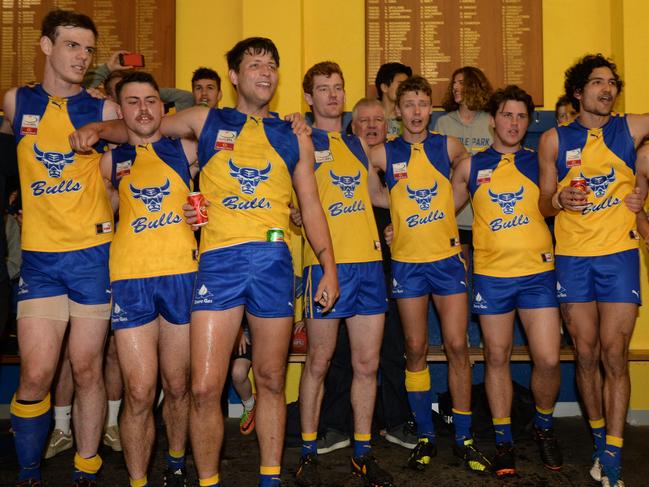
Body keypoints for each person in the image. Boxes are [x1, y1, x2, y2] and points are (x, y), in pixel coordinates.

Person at [70, 36, 338, 487]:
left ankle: (270, 478)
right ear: (234, 76)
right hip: (217, 266)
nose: (265, 72)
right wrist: (98, 130)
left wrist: (328, 266)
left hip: (272, 264)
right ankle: (208, 481)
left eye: (271, 64)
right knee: (202, 388)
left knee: (271, 380)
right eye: (254, 64)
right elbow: (146, 127)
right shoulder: (205, 119)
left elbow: (310, 205)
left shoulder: (293, 134)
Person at [2, 9, 119, 486]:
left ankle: (86, 469)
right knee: (35, 374)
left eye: (88, 49)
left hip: (92, 257)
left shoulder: (101, 107)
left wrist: (103, 130)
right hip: (41, 260)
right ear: (46, 46)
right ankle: (29, 472)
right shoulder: (16, 101)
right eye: (72, 45)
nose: (82, 56)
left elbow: (142, 127)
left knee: (88, 368)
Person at [538, 53, 649, 487]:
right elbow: (543, 201)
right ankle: (600, 441)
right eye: (597, 83)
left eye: (611, 83)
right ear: (579, 93)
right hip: (573, 257)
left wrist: (643, 187)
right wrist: (559, 202)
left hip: (619, 255)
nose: (606, 89)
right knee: (585, 354)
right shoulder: (554, 140)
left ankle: (614, 457)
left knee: (613, 354)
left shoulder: (631, 127)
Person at [370, 75, 490, 474]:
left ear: (430, 110)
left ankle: (464, 437)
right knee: (416, 348)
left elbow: (476, 171)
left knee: (457, 346)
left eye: (423, 104)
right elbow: (365, 184)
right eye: (410, 104)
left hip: (446, 261)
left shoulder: (447, 145)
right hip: (407, 263)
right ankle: (424, 435)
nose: (417, 111)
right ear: (398, 111)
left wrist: (454, 203)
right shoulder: (385, 153)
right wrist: (393, 213)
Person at [451, 85, 563, 476]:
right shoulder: (470, 166)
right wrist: (400, 227)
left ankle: (544, 429)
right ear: (493, 119)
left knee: (548, 358)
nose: (513, 123)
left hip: (537, 274)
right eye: (506, 115)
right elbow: (439, 211)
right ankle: (503, 442)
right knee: (496, 358)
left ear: (528, 121)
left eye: (520, 116)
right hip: (492, 276)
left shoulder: (540, 161)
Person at [92, 71, 196, 487]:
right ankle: (137, 480)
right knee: (138, 391)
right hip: (131, 280)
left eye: (151, 100)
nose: (143, 109)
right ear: (121, 110)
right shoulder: (109, 160)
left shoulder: (186, 149)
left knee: (177, 385)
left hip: (181, 276)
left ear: (162, 106)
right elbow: (98, 219)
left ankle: (174, 466)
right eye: (133, 101)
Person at [294, 62, 391, 487]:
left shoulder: (357, 145)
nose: (333, 95)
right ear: (309, 98)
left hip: (369, 266)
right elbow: (290, 200)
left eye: (338, 87)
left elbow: (378, 195)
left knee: (367, 364)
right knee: (318, 362)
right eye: (323, 88)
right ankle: (308, 453)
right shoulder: (299, 139)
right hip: (326, 266)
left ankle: (363, 453)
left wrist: (428, 209)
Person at [351, 98, 416, 449]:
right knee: (344, 351)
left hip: (393, 266)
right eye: (365, 121)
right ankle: (339, 424)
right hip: (349, 265)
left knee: (393, 347)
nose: (373, 126)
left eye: (379, 120)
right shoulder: (343, 160)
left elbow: (420, 206)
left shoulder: (396, 162)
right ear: (353, 126)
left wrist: (399, 229)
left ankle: (396, 421)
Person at [434, 66, 493, 262]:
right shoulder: (443, 123)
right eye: (454, 83)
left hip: (485, 212)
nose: (455, 87)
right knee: (459, 270)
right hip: (455, 213)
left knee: (486, 269)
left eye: (461, 83)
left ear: (475, 86)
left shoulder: (490, 121)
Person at [83, 49, 195, 112]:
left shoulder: (151, 112)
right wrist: (108, 68)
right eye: (119, 88)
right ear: (110, 97)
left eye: (126, 85)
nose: (126, 90)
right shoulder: (103, 113)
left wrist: (146, 92)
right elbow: (80, 90)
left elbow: (187, 99)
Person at [374, 62, 412, 138]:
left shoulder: (411, 120)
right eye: (401, 84)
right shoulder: (366, 118)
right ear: (384, 87)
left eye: (407, 85)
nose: (405, 89)